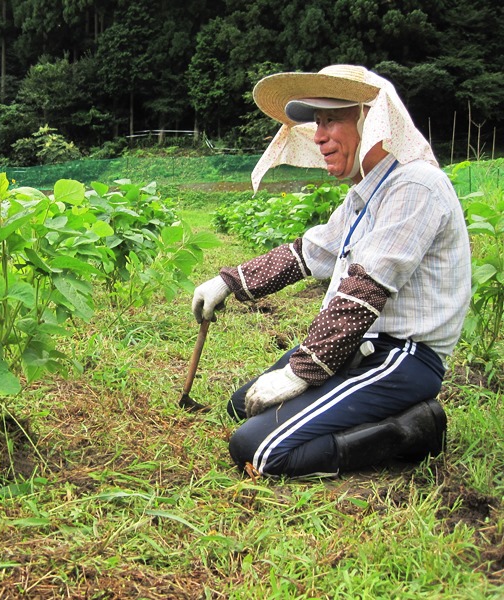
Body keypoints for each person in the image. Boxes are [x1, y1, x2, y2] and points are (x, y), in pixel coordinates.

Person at [191, 64, 471, 478]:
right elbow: (310, 251)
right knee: (241, 405)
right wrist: (229, 282)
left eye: (332, 120)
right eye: (317, 122)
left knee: (257, 449)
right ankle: (352, 408)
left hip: (401, 358)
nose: (319, 135)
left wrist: (306, 368)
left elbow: (365, 289)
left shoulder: (415, 186)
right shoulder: (366, 193)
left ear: (371, 121)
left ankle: (414, 428)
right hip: (359, 347)